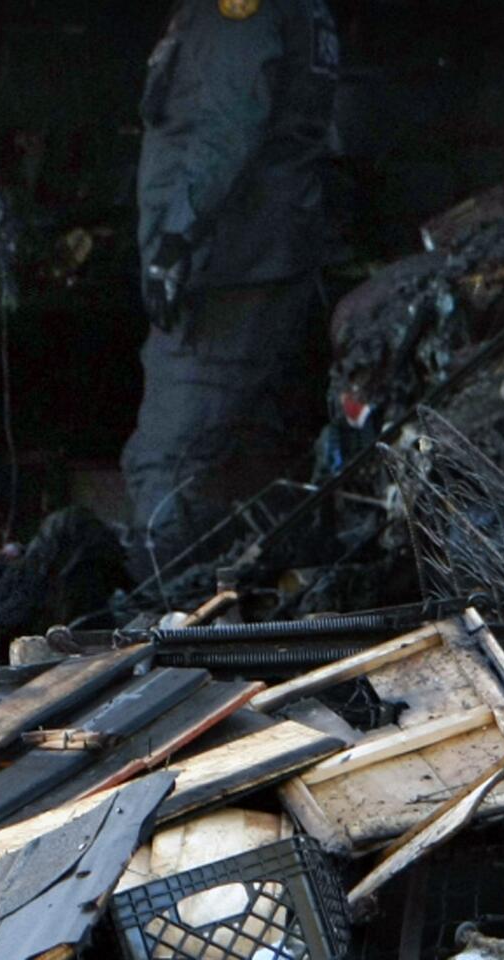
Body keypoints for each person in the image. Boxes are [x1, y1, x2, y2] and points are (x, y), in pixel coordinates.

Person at [121, 0, 339, 578]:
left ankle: (159, 635)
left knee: (169, 460)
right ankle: (238, 624)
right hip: (265, 258)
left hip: (225, 268)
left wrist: (177, 237)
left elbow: (231, 120)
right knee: (247, 454)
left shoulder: (239, 9)